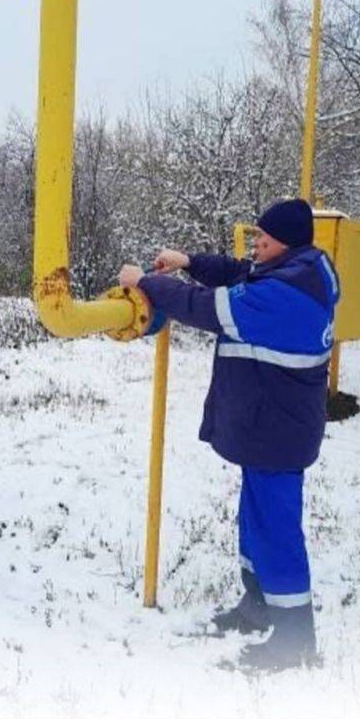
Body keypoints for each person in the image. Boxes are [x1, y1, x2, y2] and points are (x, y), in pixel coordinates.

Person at [118, 198, 339, 672]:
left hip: (277, 431)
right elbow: (241, 273)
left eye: (263, 240)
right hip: (269, 424)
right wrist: (190, 262)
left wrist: (146, 283)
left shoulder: (284, 295)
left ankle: (296, 639)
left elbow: (207, 307)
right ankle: (258, 604)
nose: (254, 247)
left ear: (287, 243)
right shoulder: (301, 269)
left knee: (276, 528)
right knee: (255, 519)